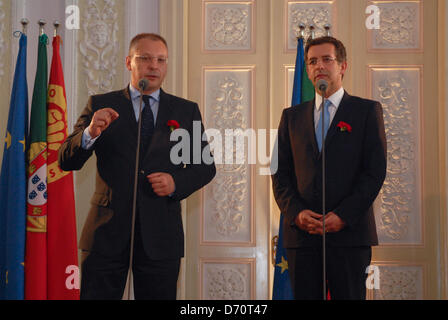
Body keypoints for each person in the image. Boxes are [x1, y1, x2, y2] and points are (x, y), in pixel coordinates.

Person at [59, 33, 216, 300]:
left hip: (161, 236)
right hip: (106, 234)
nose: (153, 66)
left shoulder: (184, 111)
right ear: (129, 62)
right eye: (145, 58)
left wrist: (176, 183)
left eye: (161, 60)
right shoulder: (101, 104)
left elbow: (204, 167)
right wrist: (90, 133)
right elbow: (66, 159)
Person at [272, 36, 387, 300]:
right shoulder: (291, 117)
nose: (319, 66)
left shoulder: (366, 111)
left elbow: (374, 172)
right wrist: (297, 213)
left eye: (327, 59)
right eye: (312, 61)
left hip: (349, 235)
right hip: (302, 237)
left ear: (343, 66)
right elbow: (280, 174)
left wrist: (343, 215)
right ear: (308, 70)